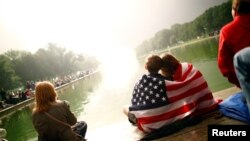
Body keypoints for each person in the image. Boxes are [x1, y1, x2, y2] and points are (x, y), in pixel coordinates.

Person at [123, 54, 170, 133]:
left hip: (147, 125)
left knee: (124, 108)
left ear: (145, 67)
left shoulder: (139, 83)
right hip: (167, 117)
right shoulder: (166, 81)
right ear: (161, 66)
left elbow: (134, 105)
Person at [218, 0, 250, 113]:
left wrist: (243, 84)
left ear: (235, 10)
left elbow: (225, 69)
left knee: (226, 105)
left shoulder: (226, 31)